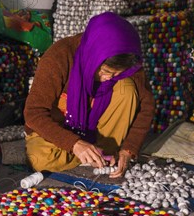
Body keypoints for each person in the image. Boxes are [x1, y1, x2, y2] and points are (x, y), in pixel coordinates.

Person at [24, 12, 155, 177]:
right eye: (105, 71)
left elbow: (147, 106)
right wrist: (74, 144)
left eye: (116, 74)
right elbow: (33, 113)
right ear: (94, 56)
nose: (108, 78)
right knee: (40, 159)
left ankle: (101, 151)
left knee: (126, 88)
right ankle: (96, 155)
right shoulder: (59, 56)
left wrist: (129, 149)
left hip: (97, 132)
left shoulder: (127, 60)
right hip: (58, 132)